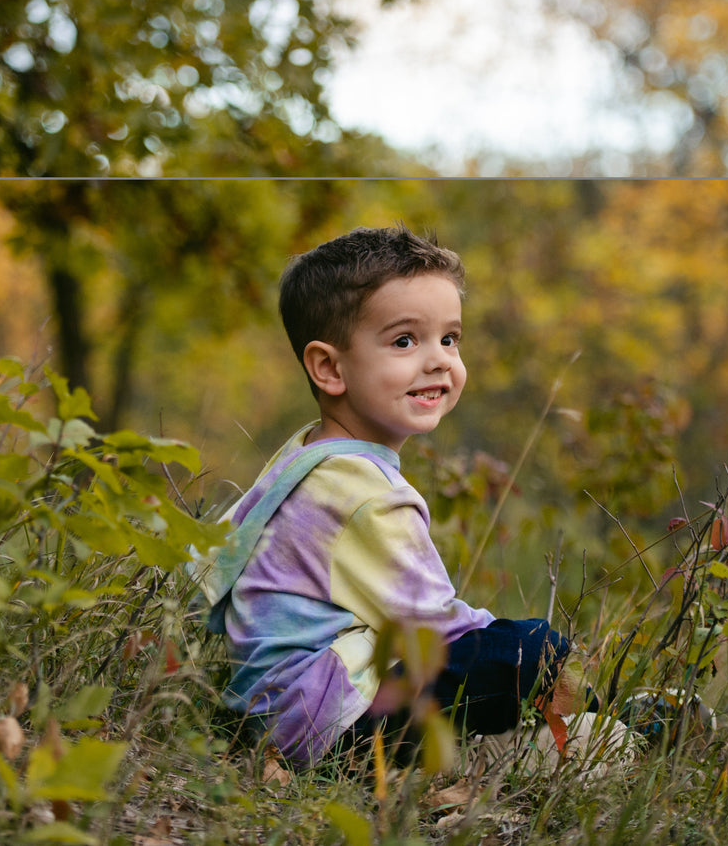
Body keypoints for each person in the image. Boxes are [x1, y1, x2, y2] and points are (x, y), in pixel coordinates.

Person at [193, 226, 593, 768]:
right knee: (526, 650)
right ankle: (606, 721)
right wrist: (532, 657)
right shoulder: (363, 496)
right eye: (405, 341)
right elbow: (436, 629)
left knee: (507, 668)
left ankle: (596, 732)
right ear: (330, 368)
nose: (438, 360)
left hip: (284, 704)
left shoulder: (307, 454)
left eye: (449, 338)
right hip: (322, 720)